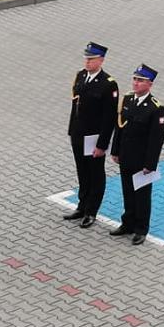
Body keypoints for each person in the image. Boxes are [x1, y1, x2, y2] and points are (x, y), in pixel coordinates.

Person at [109, 65, 164, 245]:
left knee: (141, 195)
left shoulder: (156, 108)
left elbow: (156, 140)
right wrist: (115, 151)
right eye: (134, 79)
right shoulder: (127, 99)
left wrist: (150, 164)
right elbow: (120, 127)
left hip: (142, 161)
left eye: (140, 80)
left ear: (150, 84)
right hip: (126, 156)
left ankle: (141, 229)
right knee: (127, 192)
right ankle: (128, 223)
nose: (136, 83)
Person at [63, 42, 118, 228]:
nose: (87, 62)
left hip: (94, 138)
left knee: (95, 174)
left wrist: (102, 145)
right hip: (78, 134)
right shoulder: (80, 76)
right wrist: (72, 131)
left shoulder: (108, 84)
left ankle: (91, 211)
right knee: (82, 171)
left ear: (101, 60)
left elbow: (109, 118)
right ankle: (82, 205)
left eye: (91, 59)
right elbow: (75, 106)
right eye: (86, 58)